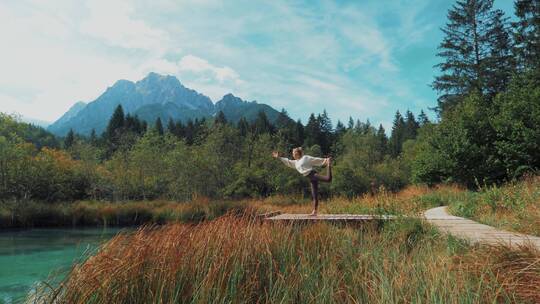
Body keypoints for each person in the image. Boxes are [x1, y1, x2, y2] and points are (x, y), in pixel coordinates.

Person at [272, 147, 332, 216]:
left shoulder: (305, 158)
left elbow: (315, 160)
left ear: (297, 153)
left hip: (312, 174)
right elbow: (288, 161)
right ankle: (314, 212)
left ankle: (329, 164)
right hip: (310, 177)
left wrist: (326, 160)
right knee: (314, 194)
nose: (292, 155)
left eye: (293, 153)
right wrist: (279, 157)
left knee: (328, 179)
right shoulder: (295, 162)